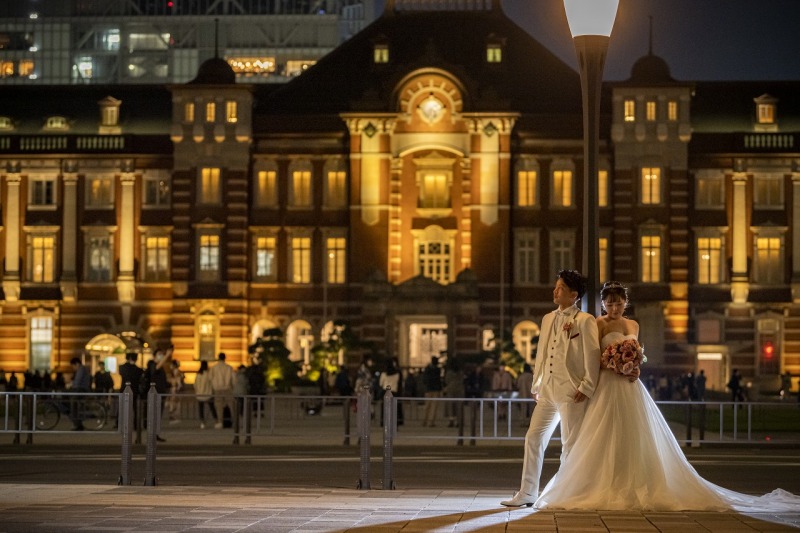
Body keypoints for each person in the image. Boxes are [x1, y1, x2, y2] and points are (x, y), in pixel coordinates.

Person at [530, 281, 800, 512]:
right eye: (609, 303)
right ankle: (594, 482)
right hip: (606, 385)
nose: (614, 308)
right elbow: (592, 357)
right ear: (603, 305)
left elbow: (637, 352)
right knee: (600, 434)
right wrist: (611, 362)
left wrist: (633, 365)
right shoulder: (597, 324)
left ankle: (634, 481)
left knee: (634, 436)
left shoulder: (633, 323)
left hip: (629, 386)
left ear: (625, 303)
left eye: (618, 303)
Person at [501, 269, 600, 507]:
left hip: (571, 391)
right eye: (556, 287)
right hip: (547, 391)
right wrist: (537, 384)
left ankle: (568, 493)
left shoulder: (585, 321)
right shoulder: (547, 319)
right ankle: (527, 492)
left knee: (570, 443)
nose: (555, 291)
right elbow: (542, 354)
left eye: (560, 288)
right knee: (533, 438)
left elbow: (593, 356)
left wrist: (586, 386)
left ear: (574, 295)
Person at [208, 352, 235, 429]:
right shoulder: (229, 367)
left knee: (219, 406)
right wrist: (232, 386)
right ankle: (234, 421)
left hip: (217, 389)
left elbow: (210, 378)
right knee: (231, 406)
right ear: (225, 358)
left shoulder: (214, 368)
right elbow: (234, 379)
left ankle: (220, 422)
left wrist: (213, 385)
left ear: (218, 358)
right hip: (227, 388)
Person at [69, 356, 91, 431]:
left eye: (73, 366)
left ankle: (77, 424)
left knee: (73, 404)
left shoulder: (81, 369)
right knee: (75, 405)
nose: (73, 368)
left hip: (81, 390)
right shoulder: (83, 369)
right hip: (82, 389)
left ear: (77, 364)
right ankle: (78, 423)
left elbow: (78, 381)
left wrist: (71, 384)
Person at [378, 357, 403, 426]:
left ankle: (384, 422)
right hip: (394, 392)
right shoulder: (397, 374)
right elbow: (398, 383)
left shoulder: (383, 374)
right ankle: (395, 422)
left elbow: (380, 383)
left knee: (384, 408)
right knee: (394, 409)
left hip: (385, 391)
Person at [194, 360, 217, 429]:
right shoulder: (208, 374)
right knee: (212, 407)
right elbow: (212, 383)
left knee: (201, 409)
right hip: (208, 394)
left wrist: (197, 391)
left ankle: (202, 422)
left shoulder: (198, 374)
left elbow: (195, 384)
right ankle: (216, 420)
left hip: (199, 394)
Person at [421, 355, 443, 427]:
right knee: (433, 407)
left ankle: (424, 420)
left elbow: (424, 379)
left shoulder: (427, 369)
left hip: (428, 389)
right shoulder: (437, 370)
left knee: (427, 406)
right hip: (435, 389)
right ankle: (431, 422)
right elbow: (439, 380)